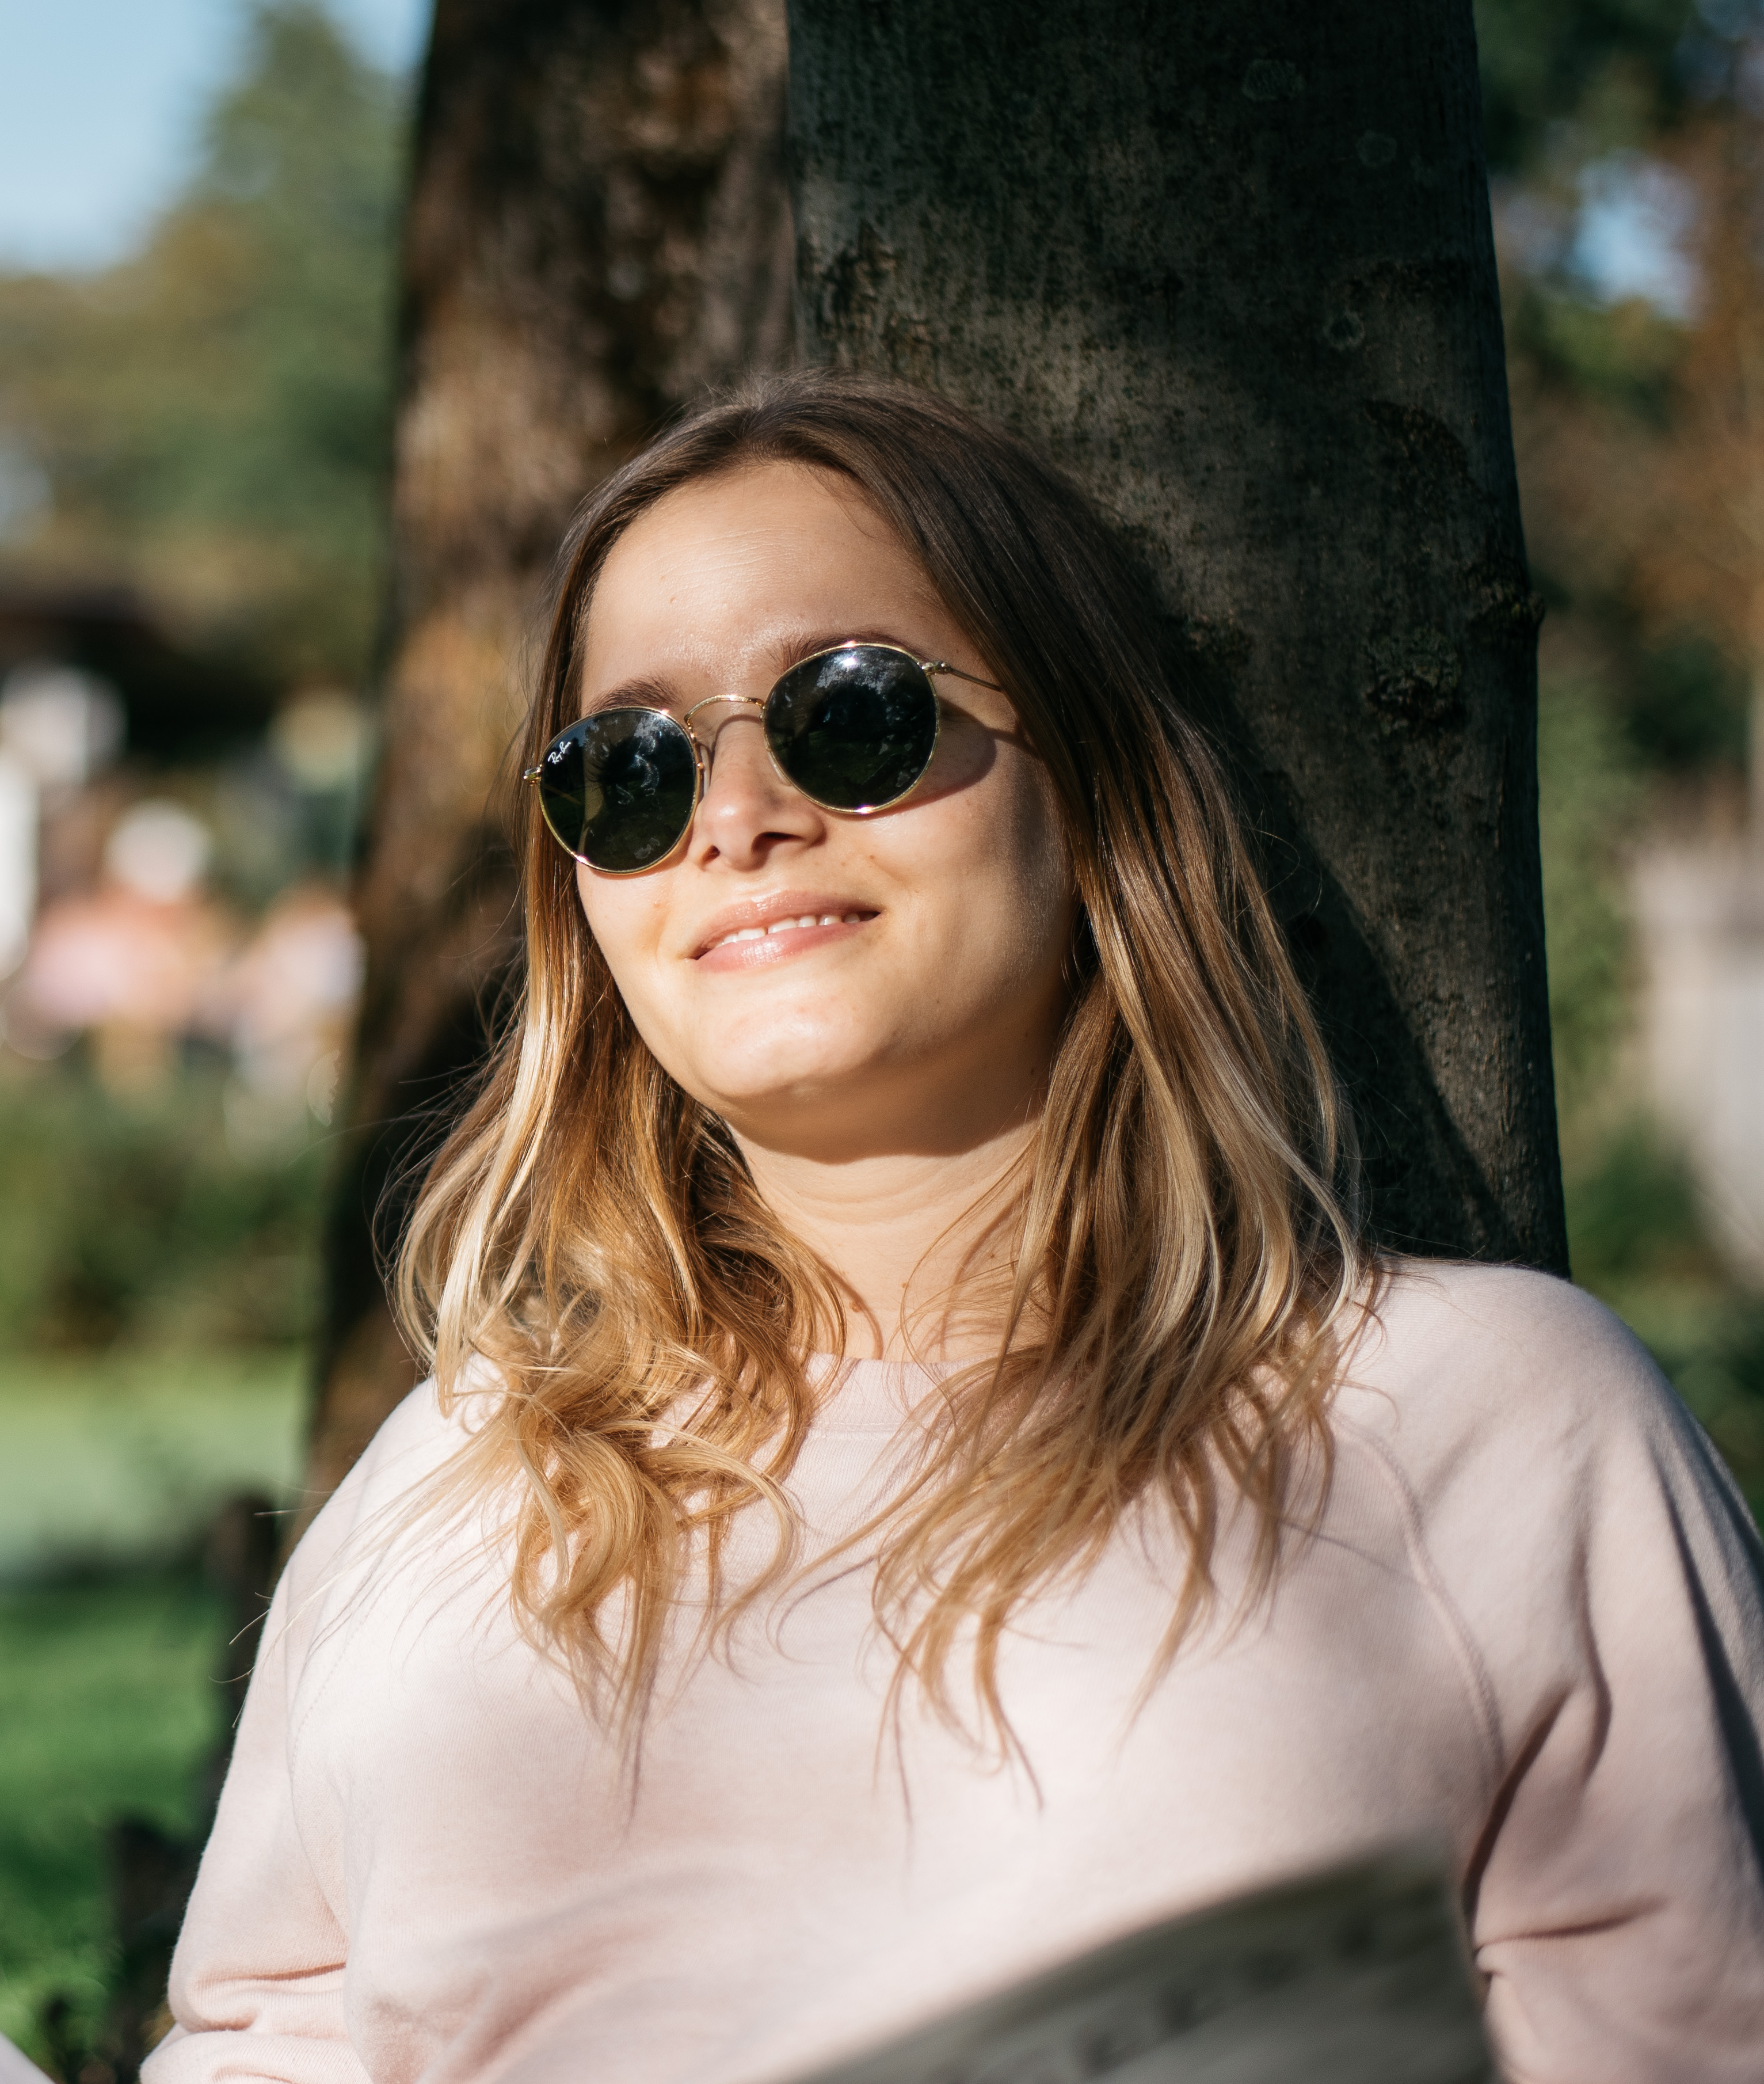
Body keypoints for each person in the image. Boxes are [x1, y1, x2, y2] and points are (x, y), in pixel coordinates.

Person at [151, 376, 1764, 2084]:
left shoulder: (1484, 1425)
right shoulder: (446, 1489)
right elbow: (260, 2038)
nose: (735, 819)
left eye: (855, 715)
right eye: (627, 769)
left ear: (1097, 793)